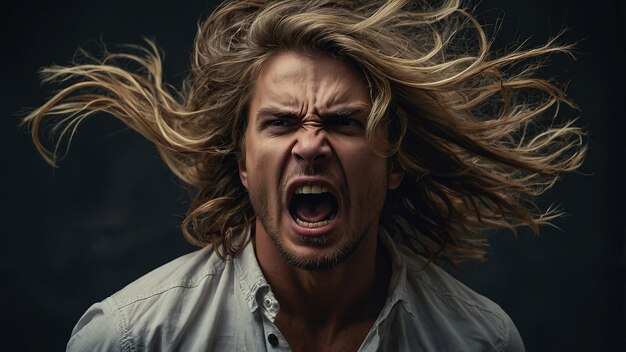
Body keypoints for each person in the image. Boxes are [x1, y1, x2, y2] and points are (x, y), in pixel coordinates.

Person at [24, 0, 585, 350]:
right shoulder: (131, 339)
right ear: (243, 163)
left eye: (343, 122)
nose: (311, 143)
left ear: (393, 163)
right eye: (281, 122)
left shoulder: (479, 340)